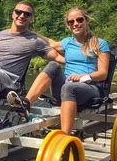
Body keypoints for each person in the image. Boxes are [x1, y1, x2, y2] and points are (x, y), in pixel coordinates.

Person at [7, 7, 110, 135]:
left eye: (79, 20)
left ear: (86, 20)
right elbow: (50, 42)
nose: (75, 24)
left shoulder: (99, 44)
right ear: (68, 25)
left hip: (90, 89)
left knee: (69, 87)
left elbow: (103, 74)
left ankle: (64, 136)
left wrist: (83, 77)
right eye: (71, 22)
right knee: (53, 65)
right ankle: (26, 104)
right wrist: (30, 33)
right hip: (65, 89)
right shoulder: (67, 42)